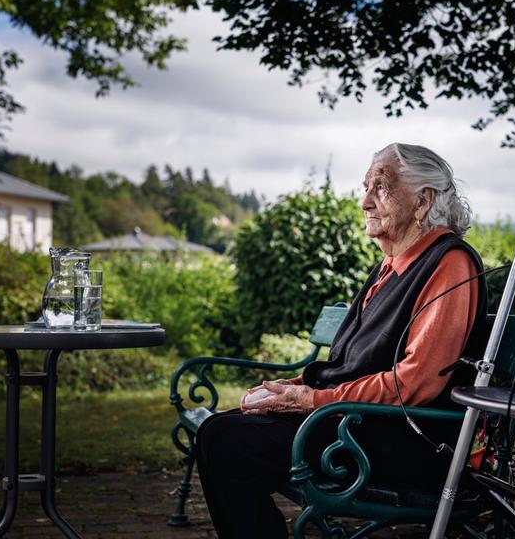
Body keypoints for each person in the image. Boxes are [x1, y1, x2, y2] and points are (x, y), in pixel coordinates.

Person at [195, 143, 487, 539]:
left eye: (379, 187)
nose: (364, 201)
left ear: (424, 201)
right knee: (223, 429)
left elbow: (417, 383)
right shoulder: (391, 265)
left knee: (227, 442)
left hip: (403, 441)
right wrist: (294, 389)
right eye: (365, 186)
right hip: (356, 425)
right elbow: (355, 364)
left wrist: (312, 401)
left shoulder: (449, 263)